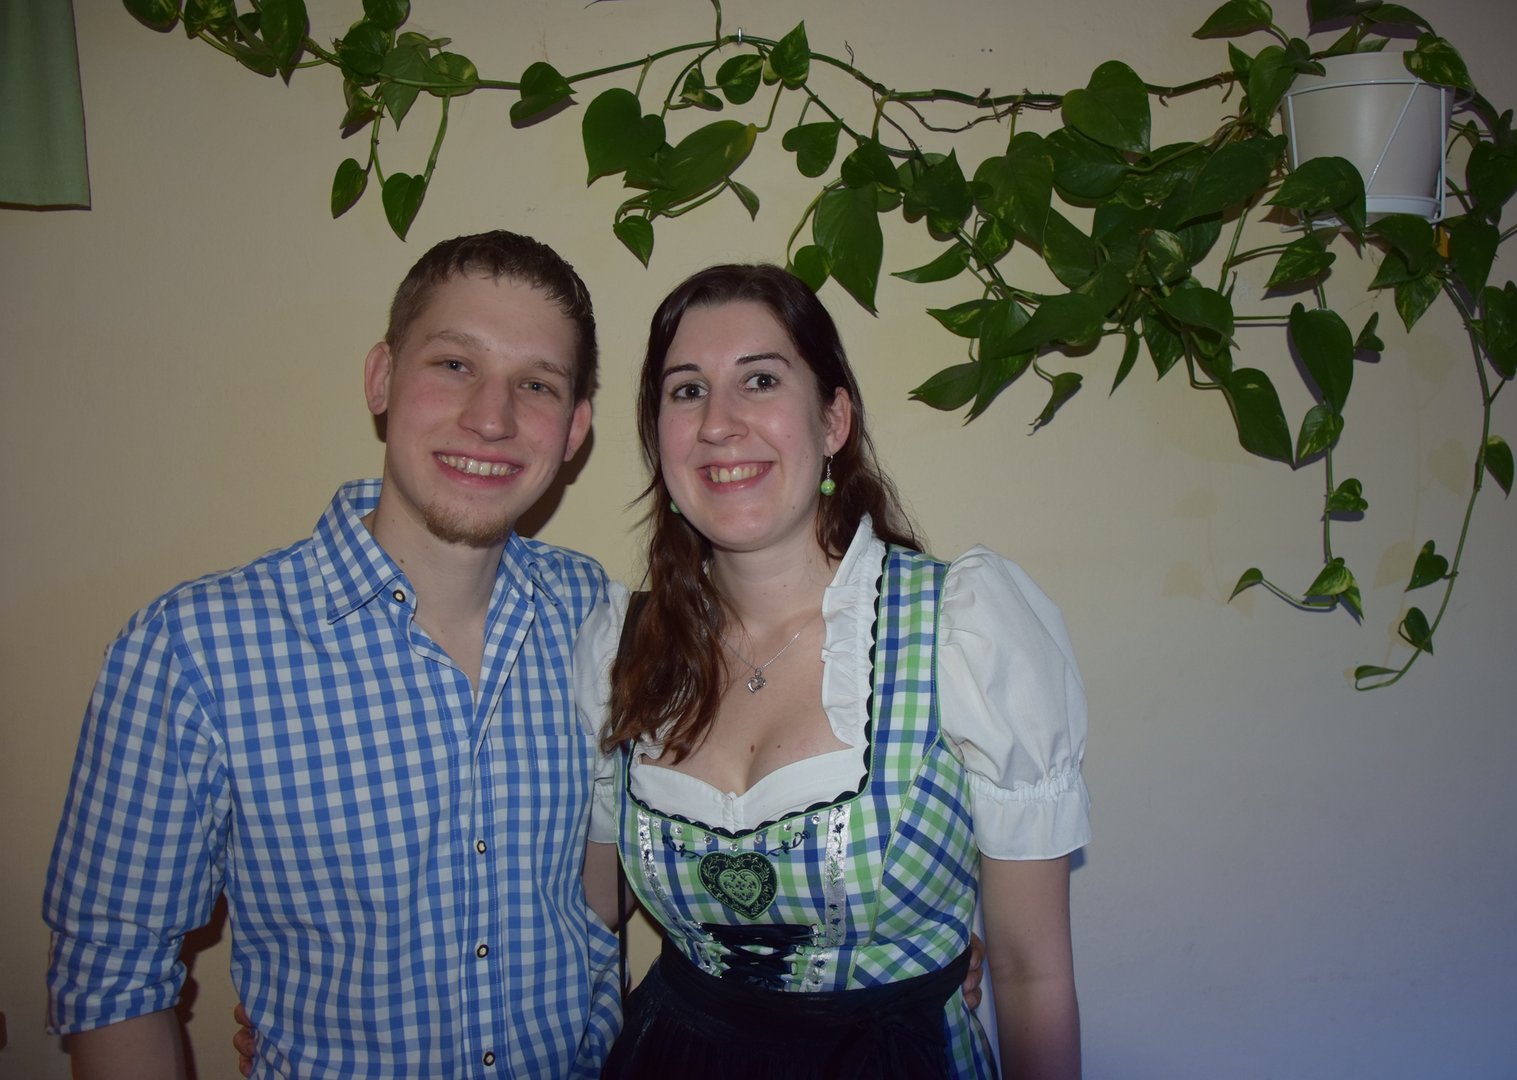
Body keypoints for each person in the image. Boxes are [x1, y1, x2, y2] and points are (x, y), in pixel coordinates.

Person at [43, 231, 622, 1078]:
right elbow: (113, 976)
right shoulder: (195, 653)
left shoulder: (592, 614)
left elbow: (598, 892)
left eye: (536, 384)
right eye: (454, 364)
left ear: (574, 430)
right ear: (382, 378)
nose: (491, 418)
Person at [574, 264, 1090, 1078]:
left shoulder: (961, 631)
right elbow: (588, 911)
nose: (719, 423)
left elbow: (1033, 973)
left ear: (833, 419)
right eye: (686, 391)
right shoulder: (621, 648)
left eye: (760, 380)